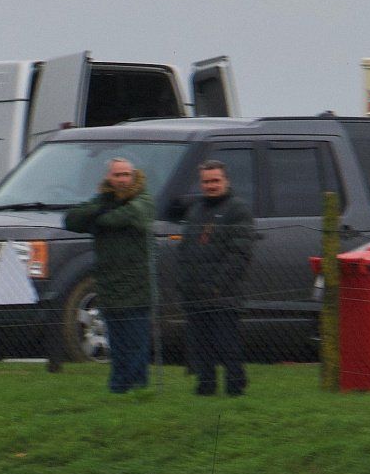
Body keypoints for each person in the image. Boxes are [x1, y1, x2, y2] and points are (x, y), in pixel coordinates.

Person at [63, 158, 156, 393]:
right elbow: (72, 219)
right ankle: (118, 389)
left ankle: (137, 388)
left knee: (136, 342)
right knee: (117, 343)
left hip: (137, 286)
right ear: (109, 178)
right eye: (118, 175)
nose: (123, 180)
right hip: (109, 285)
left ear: (134, 176)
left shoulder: (143, 200)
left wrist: (99, 218)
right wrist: (100, 208)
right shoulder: (102, 200)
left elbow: (127, 216)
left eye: (127, 175)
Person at [174, 160, 256, 397]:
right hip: (194, 293)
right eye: (206, 181)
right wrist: (184, 283)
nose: (211, 185)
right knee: (200, 346)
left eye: (215, 180)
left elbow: (239, 254)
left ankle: (235, 387)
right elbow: (186, 249)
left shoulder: (237, 209)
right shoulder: (196, 209)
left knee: (227, 344)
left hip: (223, 294)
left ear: (226, 181)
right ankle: (205, 386)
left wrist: (218, 285)